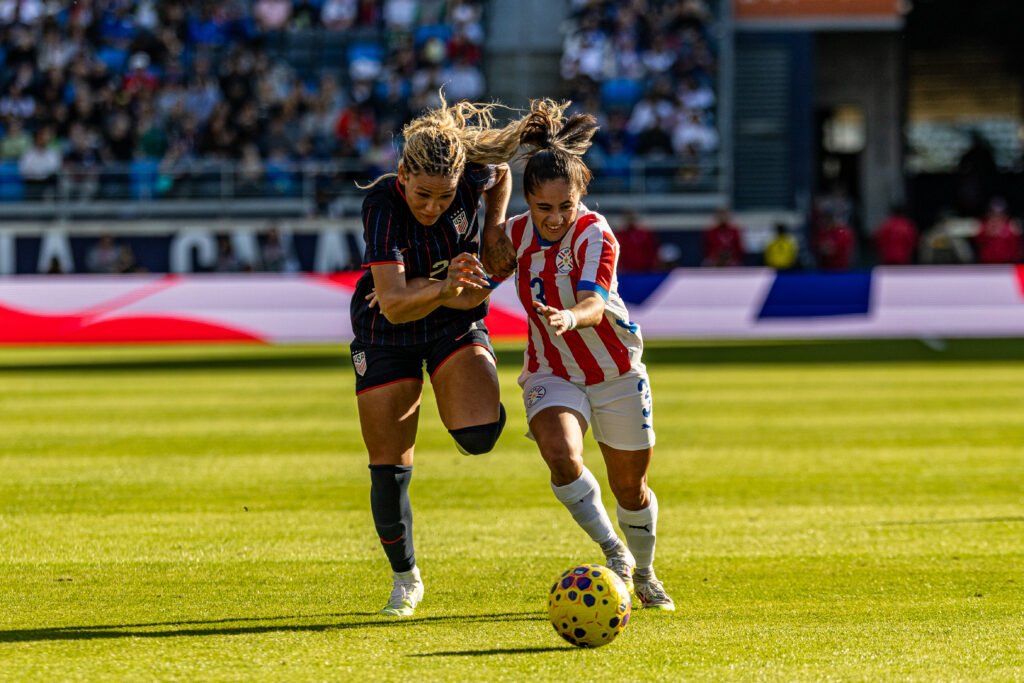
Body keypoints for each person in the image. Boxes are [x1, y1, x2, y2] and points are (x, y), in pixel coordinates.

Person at [352, 93, 520, 617]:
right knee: (389, 463)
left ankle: (511, 404)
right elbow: (397, 307)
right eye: (423, 195)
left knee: (478, 435)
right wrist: (445, 286)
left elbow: (500, 175)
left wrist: (494, 228)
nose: (433, 207)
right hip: (387, 332)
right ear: (402, 175)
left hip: (450, 321)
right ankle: (406, 580)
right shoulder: (381, 204)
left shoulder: (471, 178)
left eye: (444, 197)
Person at [502, 99, 674, 610]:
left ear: (581, 198)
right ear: (528, 202)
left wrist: (568, 317)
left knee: (631, 489)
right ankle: (612, 552)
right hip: (550, 369)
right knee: (561, 454)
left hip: (616, 370)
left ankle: (644, 573)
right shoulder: (513, 236)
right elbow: (475, 280)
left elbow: (595, 303)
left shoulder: (595, 232)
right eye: (543, 208)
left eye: (565, 207)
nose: (554, 218)